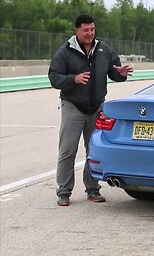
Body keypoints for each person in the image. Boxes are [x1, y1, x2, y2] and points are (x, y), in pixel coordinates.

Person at [49, 14, 133, 206]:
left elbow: (114, 71)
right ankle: (64, 191)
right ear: (76, 30)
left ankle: (93, 189)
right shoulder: (65, 52)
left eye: (92, 29)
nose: (90, 33)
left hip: (96, 107)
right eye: (86, 30)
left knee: (93, 150)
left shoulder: (103, 49)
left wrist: (120, 73)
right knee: (68, 150)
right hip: (73, 106)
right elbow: (54, 77)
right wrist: (73, 79)